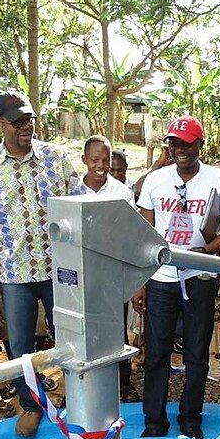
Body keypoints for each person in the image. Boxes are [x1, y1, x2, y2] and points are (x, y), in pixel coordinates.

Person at [0, 89, 78, 438]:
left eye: (29, 119)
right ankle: (31, 405)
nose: (25, 127)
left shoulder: (55, 159)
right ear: (0, 124)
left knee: (71, 338)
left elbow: (79, 207)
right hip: (15, 274)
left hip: (60, 271)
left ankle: (77, 401)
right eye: (17, 122)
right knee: (20, 344)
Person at [132, 116, 220, 439]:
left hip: (201, 276)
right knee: (157, 352)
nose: (179, 149)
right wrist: (140, 281)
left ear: (200, 144)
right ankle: (154, 422)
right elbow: (144, 234)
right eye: (174, 143)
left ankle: (191, 419)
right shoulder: (155, 181)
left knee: (196, 352)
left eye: (186, 143)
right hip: (161, 277)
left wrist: (202, 251)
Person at [70, 135, 137, 401]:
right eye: (94, 160)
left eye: (105, 160)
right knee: (82, 329)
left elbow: (129, 233)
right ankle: (82, 386)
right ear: (84, 160)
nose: (100, 165)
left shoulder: (122, 193)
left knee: (115, 328)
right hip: (80, 273)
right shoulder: (72, 190)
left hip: (111, 274)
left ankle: (123, 383)